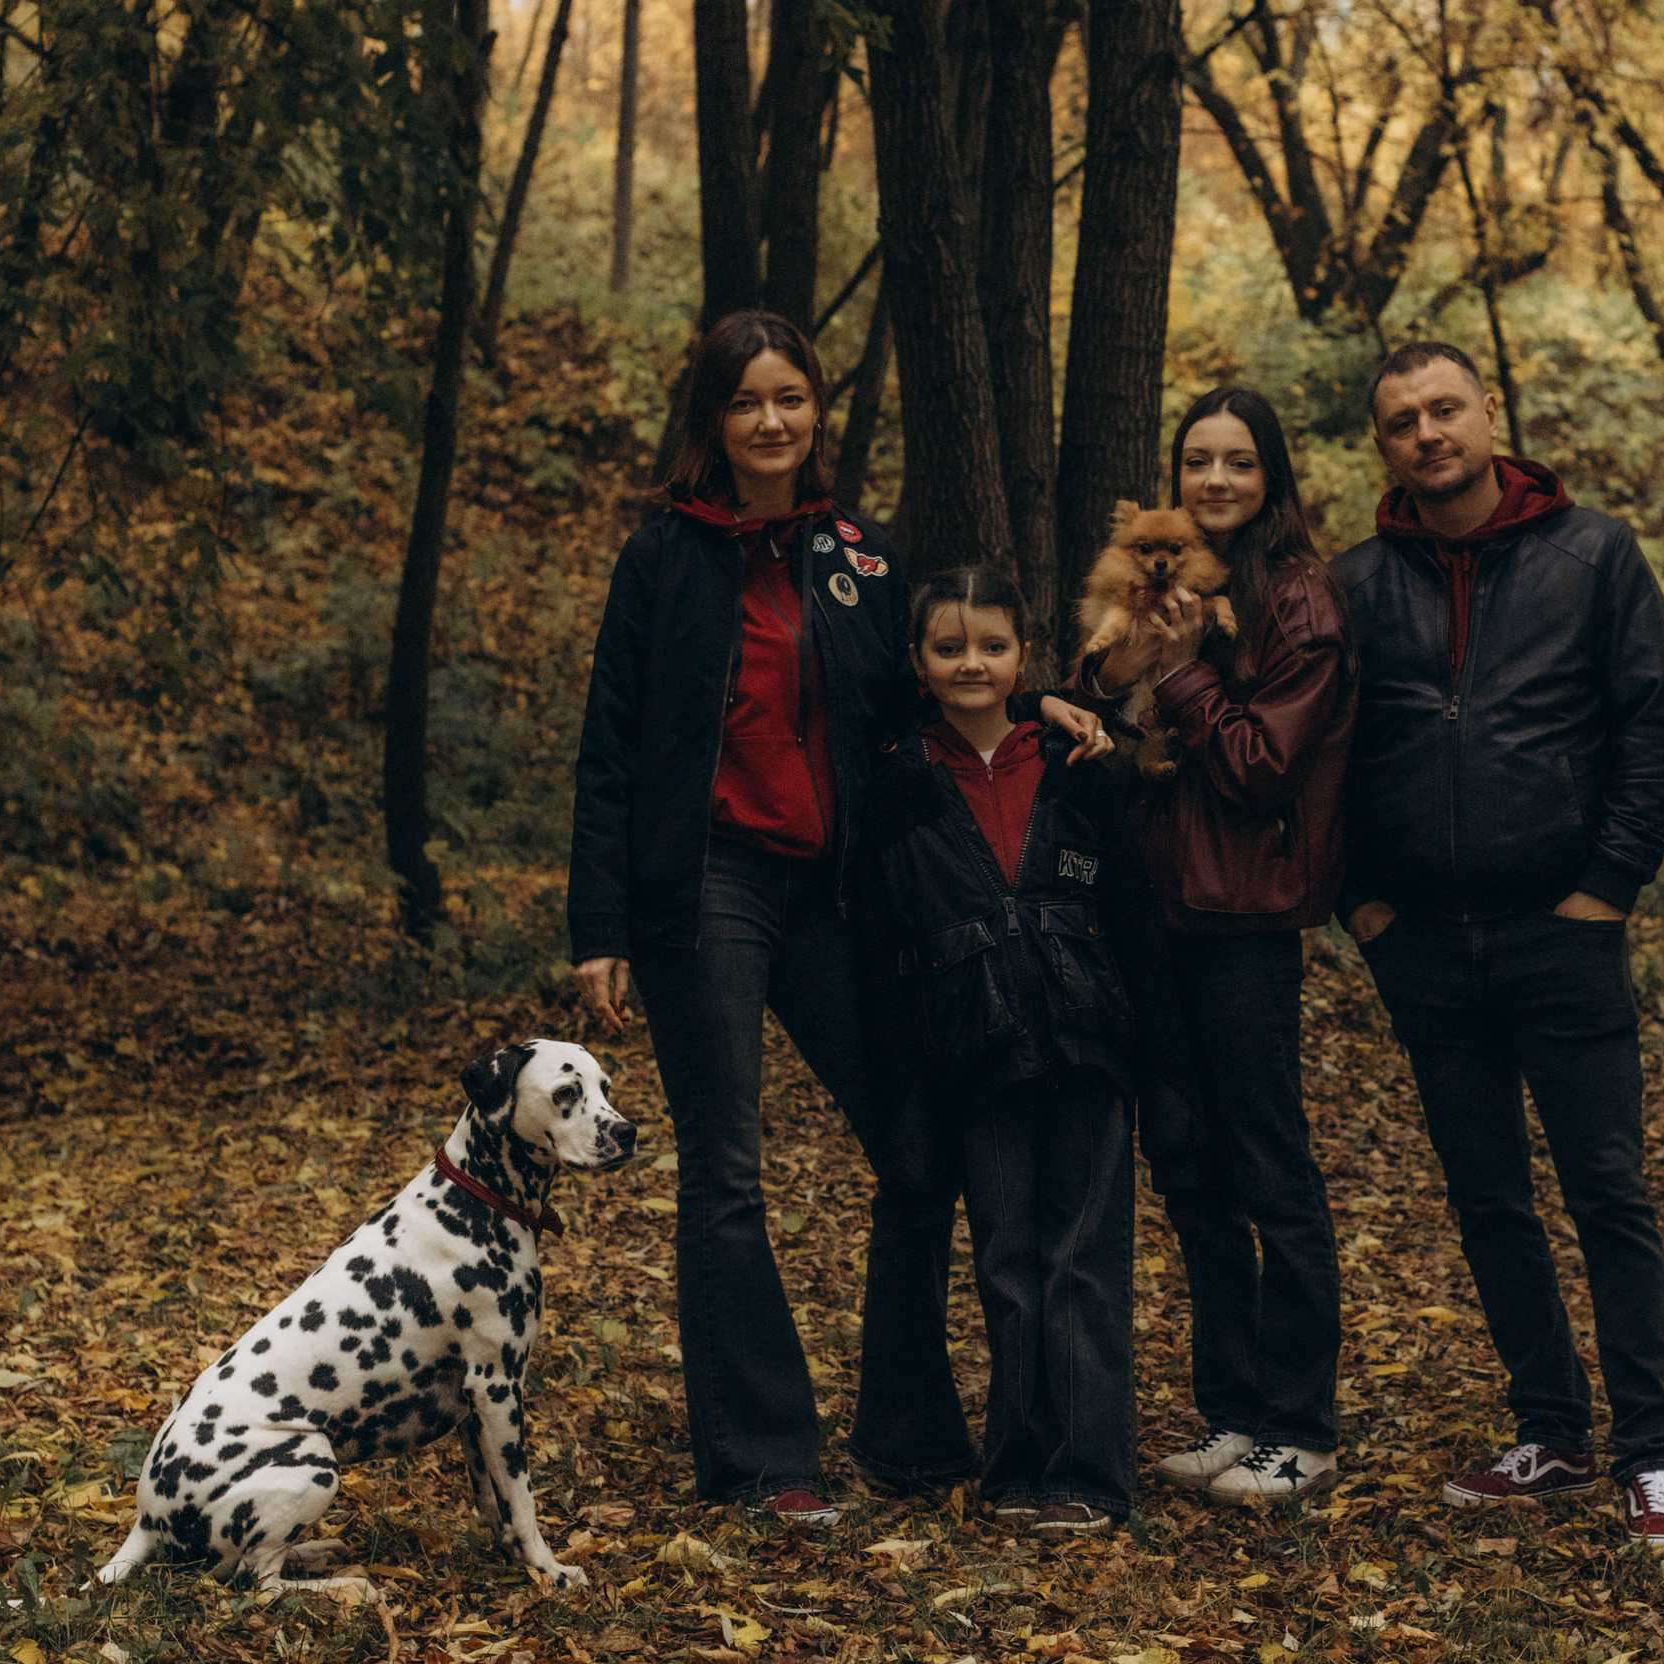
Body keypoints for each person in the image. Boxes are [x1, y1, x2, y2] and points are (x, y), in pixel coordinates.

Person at [565, 310, 1108, 1524]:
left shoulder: (859, 553)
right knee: (729, 1167)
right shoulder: (663, 559)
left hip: (840, 891)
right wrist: (597, 920)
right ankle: (764, 1460)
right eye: (748, 401)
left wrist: (1047, 709)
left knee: (917, 1150)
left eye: (792, 399)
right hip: (707, 882)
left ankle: (908, 1431)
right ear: (714, 419)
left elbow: (929, 698)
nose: (772, 421)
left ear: (817, 413)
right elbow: (611, 744)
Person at [1332, 341, 1664, 1552]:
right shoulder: (1353, 583)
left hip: (1563, 934)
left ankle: (1651, 1453)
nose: (1427, 433)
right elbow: (1320, 759)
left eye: (1445, 409)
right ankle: (1550, 1424)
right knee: (1487, 1197)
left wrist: (1605, 892)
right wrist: (1363, 906)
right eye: (1402, 421)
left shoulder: (1593, 554)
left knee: (1608, 1193)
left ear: (1491, 414)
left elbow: (1658, 735)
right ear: (1381, 445)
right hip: (1426, 947)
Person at [1073, 386, 1356, 1505]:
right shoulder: (1172, 580)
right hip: (1157, 909)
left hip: (1243, 915)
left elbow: (1256, 771)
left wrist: (1185, 671)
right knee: (1186, 1163)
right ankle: (1232, 1410)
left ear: (1270, 477)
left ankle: (1301, 1422)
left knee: (1267, 1165)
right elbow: (1106, 713)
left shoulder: (1298, 607)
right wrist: (1118, 678)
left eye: (1240, 463)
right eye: (1199, 462)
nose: (1217, 482)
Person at [851, 569, 1150, 1536]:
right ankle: (1018, 1467)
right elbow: (880, 940)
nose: (971, 662)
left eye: (992, 645)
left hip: (1087, 1040)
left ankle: (1090, 1472)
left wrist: (1153, 1045)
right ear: (919, 663)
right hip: (972, 1051)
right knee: (1010, 1261)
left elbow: (1133, 916)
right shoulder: (896, 780)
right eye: (948, 647)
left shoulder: (1078, 766)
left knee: (1086, 1257)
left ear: (1026, 660)